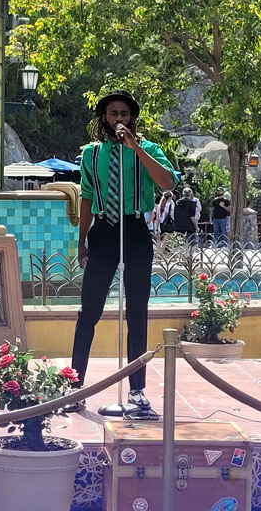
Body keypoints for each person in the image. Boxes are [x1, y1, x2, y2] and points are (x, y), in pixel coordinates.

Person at [65, 89, 178, 413]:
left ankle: (137, 390)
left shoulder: (148, 148)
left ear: (132, 119)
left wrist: (136, 148)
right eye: (113, 114)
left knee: (138, 311)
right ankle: (75, 385)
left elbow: (167, 183)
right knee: (89, 312)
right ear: (104, 118)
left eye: (124, 114)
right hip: (103, 231)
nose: (119, 119)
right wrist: (82, 240)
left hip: (135, 230)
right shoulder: (91, 154)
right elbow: (87, 197)